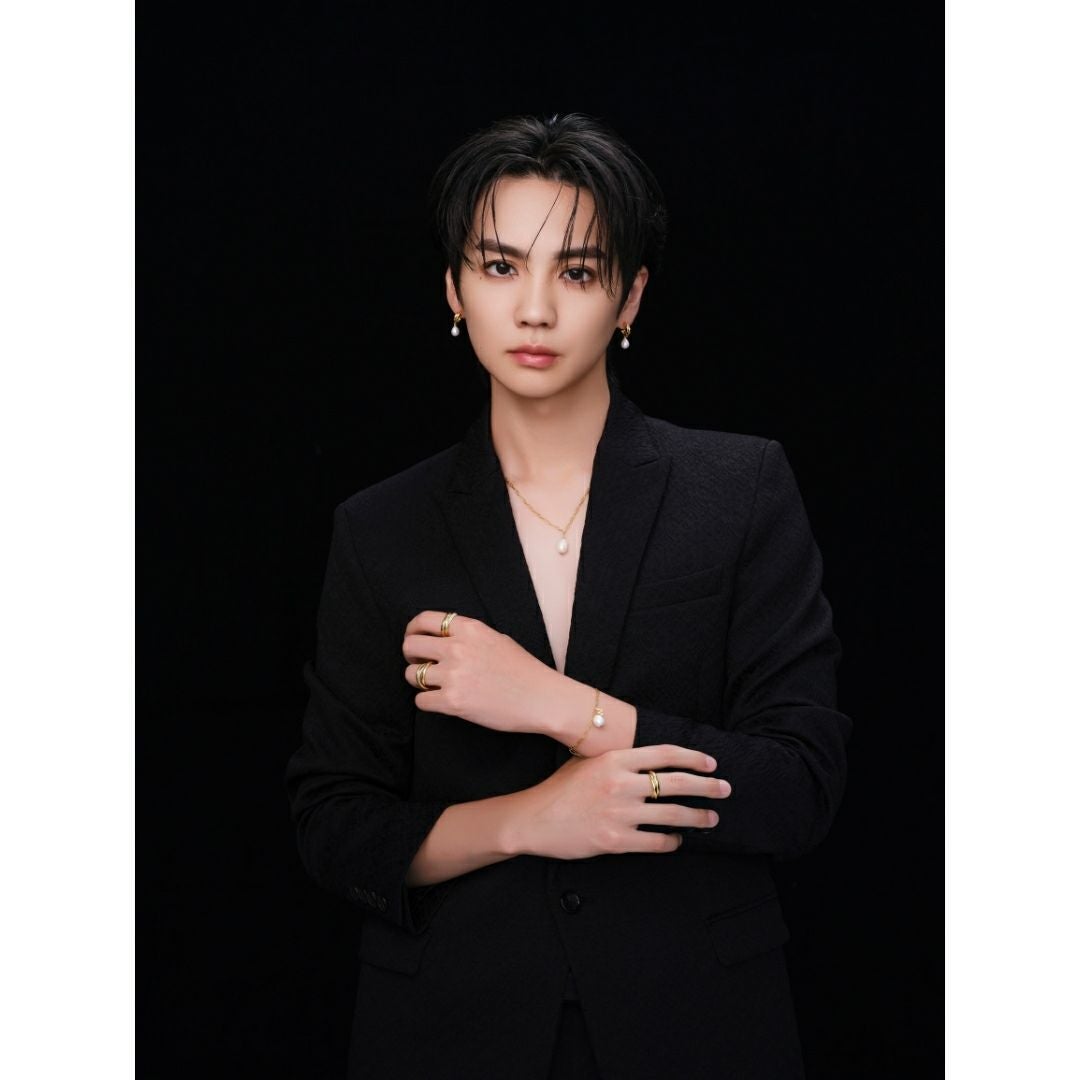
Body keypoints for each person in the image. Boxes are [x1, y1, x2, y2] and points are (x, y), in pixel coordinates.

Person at [285, 113, 850, 1080]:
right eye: (500, 266)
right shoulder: (381, 528)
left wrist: (562, 707)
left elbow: (799, 788)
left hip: (698, 1026)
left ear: (630, 297)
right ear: (454, 288)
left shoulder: (739, 490)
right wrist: (526, 820)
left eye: (578, 272)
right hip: (450, 1033)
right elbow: (333, 826)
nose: (535, 309)